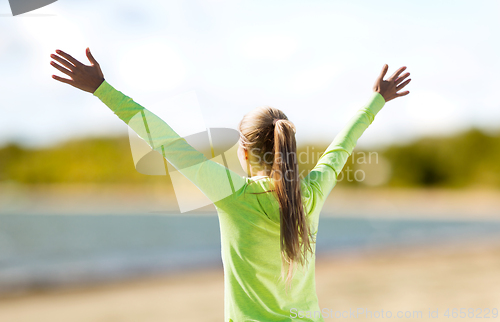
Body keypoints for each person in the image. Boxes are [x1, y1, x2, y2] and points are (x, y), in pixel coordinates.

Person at [50, 48, 411, 322]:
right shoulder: (311, 194)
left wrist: (101, 88)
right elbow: (342, 145)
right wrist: (378, 98)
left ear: (243, 150)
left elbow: (166, 141)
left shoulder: (234, 195)